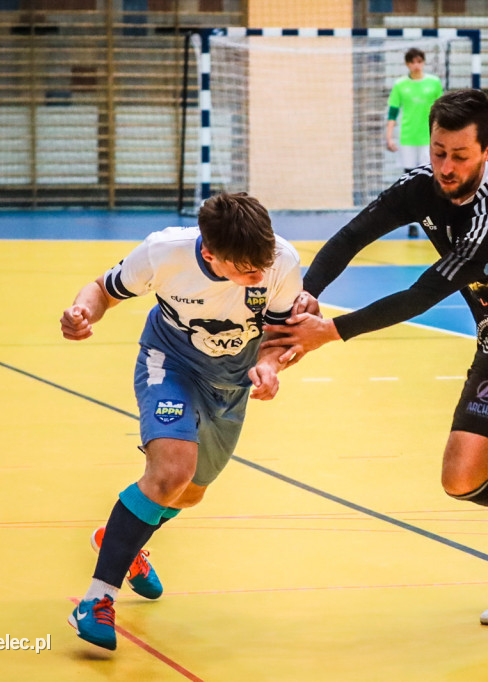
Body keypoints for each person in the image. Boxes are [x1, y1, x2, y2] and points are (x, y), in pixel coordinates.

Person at [263, 89, 488, 625]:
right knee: (461, 481)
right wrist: (305, 293)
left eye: (460, 156)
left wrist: (326, 331)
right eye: (438, 151)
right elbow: (353, 235)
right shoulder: (421, 187)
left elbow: (423, 293)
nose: (446, 167)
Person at [60, 192, 302, 650]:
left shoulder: (280, 261)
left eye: (263, 264)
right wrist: (82, 314)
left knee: (189, 493)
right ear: (210, 254)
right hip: (169, 362)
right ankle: (95, 599)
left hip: (231, 381)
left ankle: (121, 542)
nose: (258, 275)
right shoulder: (164, 251)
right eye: (247, 270)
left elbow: (278, 334)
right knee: (171, 470)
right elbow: (102, 289)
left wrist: (271, 365)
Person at [386, 47, 443, 238]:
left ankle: (435, 217)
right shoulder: (400, 85)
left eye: (420, 61)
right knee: (410, 181)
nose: (416, 65)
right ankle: (413, 221)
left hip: (429, 139)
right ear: (407, 64)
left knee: (431, 179)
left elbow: (442, 112)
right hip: (408, 138)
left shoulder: (434, 83)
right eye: (413, 62)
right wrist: (389, 136)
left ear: (423, 62)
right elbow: (393, 112)